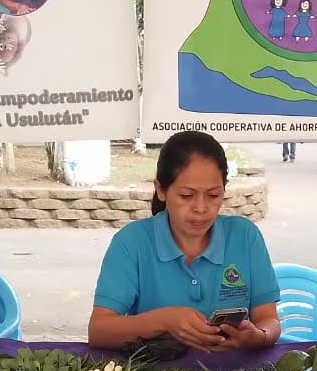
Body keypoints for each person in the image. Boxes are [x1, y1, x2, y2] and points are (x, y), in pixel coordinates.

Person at [89, 131, 282, 351]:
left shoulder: (245, 236)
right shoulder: (131, 243)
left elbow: (270, 320)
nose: (201, 208)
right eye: (186, 196)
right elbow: (99, 331)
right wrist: (163, 321)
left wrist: (259, 336)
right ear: (161, 190)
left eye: (213, 195)